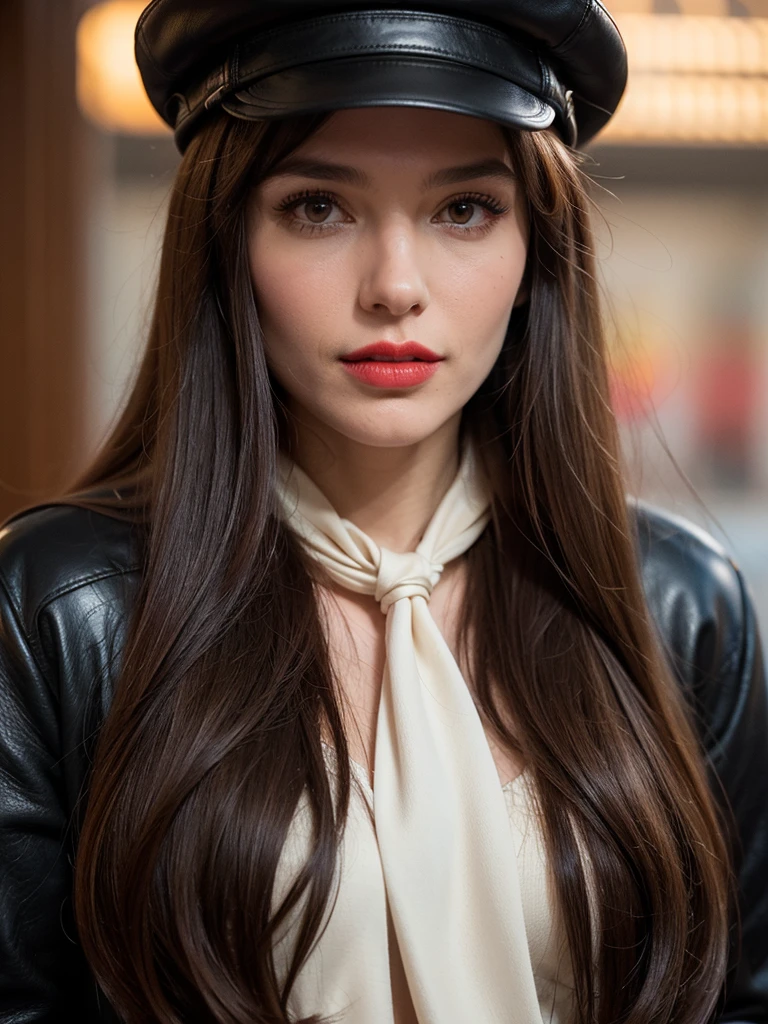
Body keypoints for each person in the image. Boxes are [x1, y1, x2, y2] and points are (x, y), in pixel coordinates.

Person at [1, 1, 766, 1022]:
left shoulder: (677, 604)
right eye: (319, 206)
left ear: (538, 249)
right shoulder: (62, 606)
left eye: (464, 210)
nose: (395, 286)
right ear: (224, 240)